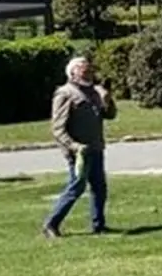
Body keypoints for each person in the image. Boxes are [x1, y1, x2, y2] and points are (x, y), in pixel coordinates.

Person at [42, 57, 117, 238]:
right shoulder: (65, 93)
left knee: (100, 188)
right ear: (73, 73)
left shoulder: (94, 92)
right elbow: (58, 129)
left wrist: (108, 99)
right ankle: (51, 224)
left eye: (91, 70)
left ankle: (99, 225)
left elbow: (110, 115)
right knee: (76, 187)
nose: (89, 73)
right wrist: (74, 146)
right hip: (79, 152)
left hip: (96, 147)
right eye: (85, 70)